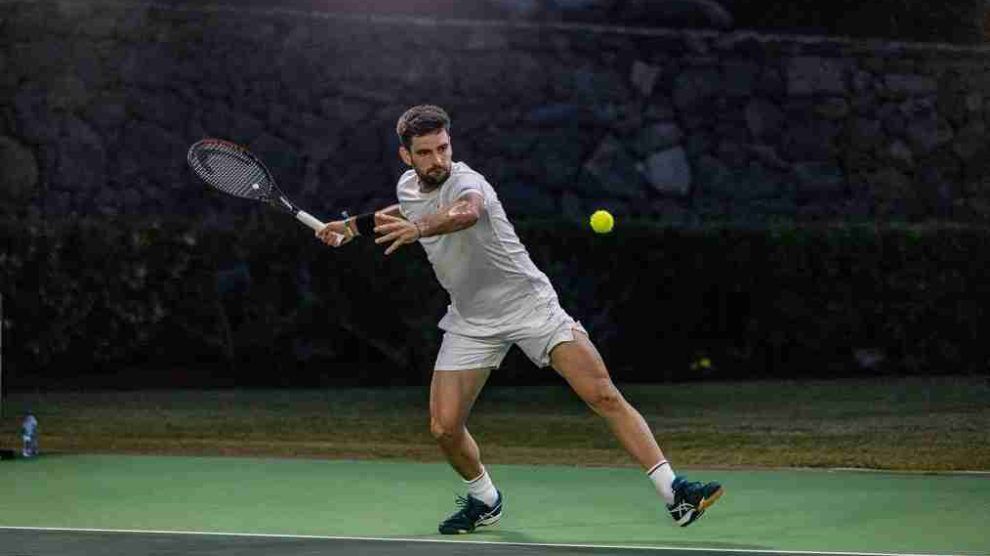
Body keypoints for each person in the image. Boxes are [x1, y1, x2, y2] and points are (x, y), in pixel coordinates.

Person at [316, 105, 723, 534]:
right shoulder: (408, 186)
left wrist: (420, 231)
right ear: (406, 156)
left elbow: (466, 213)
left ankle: (675, 492)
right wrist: (350, 227)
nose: (437, 160)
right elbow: (406, 208)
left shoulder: (468, 183)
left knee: (602, 394)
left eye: (443, 148)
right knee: (444, 428)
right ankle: (485, 499)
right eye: (425, 152)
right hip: (472, 320)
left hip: (530, 306)